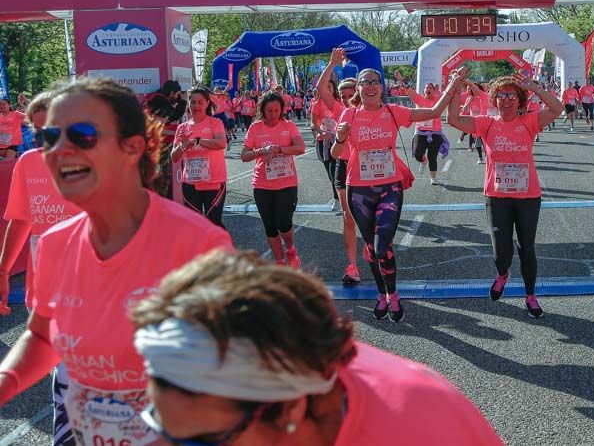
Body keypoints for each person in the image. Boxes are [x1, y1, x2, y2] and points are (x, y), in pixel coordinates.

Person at [0, 77, 232, 445]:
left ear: (132, 147)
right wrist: (6, 382)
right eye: (49, 138)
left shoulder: (198, 246)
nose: (58, 150)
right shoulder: (55, 245)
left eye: (82, 134)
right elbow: (44, 336)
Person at [130, 249, 504, 445]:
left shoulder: (418, 428)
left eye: (201, 442)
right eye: (155, 420)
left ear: (291, 407)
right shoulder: (279, 380)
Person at [331, 67, 459, 322]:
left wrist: (453, 84)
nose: (369, 86)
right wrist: (341, 137)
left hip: (390, 187)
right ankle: (382, 294)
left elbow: (433, 112)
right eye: (364, 83)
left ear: (381, 87)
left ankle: (394, 294)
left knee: (382, 246)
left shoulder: (393, 112)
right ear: (358, 88)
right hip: (359, 189)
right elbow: (336, 153)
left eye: (374, 82)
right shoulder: (349, 114)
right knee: (370, 247)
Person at [0, 91, 82, 446]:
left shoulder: (94, 161)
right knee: (63, 375)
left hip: (90, 287)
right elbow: (19, 221)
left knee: (84, 375)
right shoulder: (28, 163)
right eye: (38, 130)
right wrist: (2, 271)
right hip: (44, 287)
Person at [447, 72, 564, 318]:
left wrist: (535, 87)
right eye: (502, 96)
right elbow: (454, 119)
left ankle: (530, 296)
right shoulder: (487, 123)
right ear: (495, 100)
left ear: (520, 100)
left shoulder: (530, 121)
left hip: (528, 197)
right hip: (497, 196)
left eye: (512, 95)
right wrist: (456, 88)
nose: (507, 100)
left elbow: (558, 108)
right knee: (502, 252)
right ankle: (502, 274)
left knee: (527, 248)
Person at [241, 91, 306, 268]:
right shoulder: (255, 128)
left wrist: (279, 149)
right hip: (262, 183)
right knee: (269, 224)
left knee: (283, 222)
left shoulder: (289, 125)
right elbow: (244, 156)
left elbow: (300, 148)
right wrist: (262, 151)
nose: (273, 114)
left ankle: (290, 249)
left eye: (277, 110)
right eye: (269, 111)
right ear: (262, 110)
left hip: (286, 182)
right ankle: (279, 260)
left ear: (282, 109)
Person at [314, 50, 361, 285]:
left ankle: (374, 254)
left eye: (351, 94)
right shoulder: (339, 110)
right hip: (343, 167)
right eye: (343, 95)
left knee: (369, 220)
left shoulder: (368, 110)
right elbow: (322, 89)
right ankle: (353, 266)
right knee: (348, 218)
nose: (346, 98)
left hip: (366, 172)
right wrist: (332, 64)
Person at [172, 87, 229, 228]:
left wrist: (197, 141)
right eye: (193, 102)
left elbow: (221, 143)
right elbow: (174, 157)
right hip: (190, 182)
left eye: (200, 102)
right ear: (189, 104)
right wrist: (183, 145)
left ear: (207, 104)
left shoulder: (215, 123)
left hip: (214, 182)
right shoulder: (182, 128)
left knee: (213, 222)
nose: (196, 106)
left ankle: (223, 250)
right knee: (195, 225)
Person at [144, 80, 186, 197]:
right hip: (159, 143)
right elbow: (171, 116)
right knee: (163, 176)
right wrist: (182, 103)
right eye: (177, 94)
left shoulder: (153, 98)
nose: (177, 97)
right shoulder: (159, 99)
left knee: (158, 174)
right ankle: (161, 201)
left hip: (155, 141)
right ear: (172, 92)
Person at [404, 81, 449, 185]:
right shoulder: (419, 99)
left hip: (435, 133)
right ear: (424, 90)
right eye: (426, 88)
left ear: (433, 91)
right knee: (417, 154)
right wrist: (401, 79)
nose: (428, 89)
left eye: (430, 88)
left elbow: (448, 94)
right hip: (421, 132)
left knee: (432, 157)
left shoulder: (438, 100)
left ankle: (433, 178)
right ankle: (423, 161)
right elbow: (409, 90)